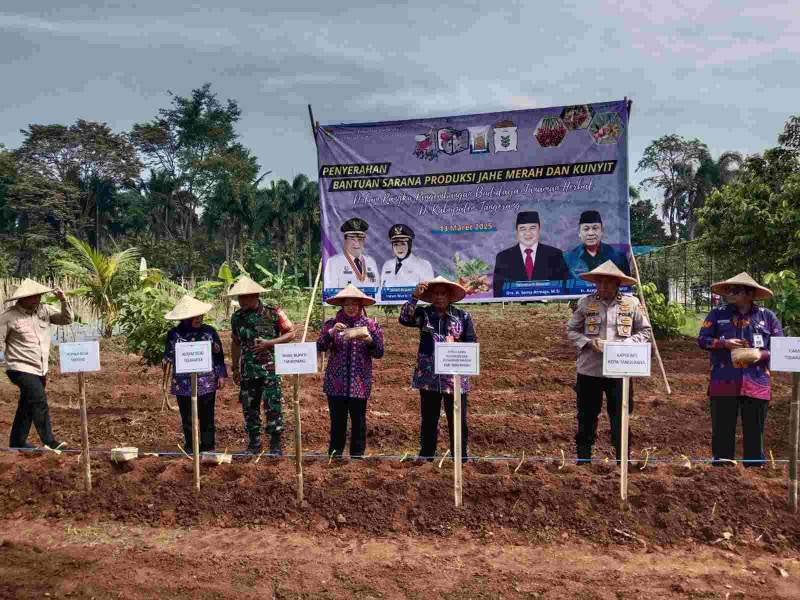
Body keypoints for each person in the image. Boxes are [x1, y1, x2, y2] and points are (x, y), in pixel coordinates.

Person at [566, 261, 652, 464]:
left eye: (608, 283)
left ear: (618, 284)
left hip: (619, 371)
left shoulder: (631, 304)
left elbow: (645, 331)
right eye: (600, 282)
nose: (603, 286)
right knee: (586, 416)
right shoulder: (585, 303)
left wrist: (626, 344)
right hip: (589, 370)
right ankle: (584, 459)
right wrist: (588, 342)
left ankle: (623, 461)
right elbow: (571, 330)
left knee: (620, 417)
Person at [698, 273, 783, 466]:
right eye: (729, 289)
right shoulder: (717, 314)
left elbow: (780, 348)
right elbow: (702, 340)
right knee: (722, 429)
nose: (730, 293)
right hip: (723, 380)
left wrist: (760, 355)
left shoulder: (767, 317)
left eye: (736, 290)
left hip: (756, 382)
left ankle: (753, 470)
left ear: (750, 294)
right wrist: (723, 343)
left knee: (754, 430)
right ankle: (722, 470)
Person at [399, 276, 476, 460]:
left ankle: (460, 457)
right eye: (436, 294)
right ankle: (427, 455)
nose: (440, 297)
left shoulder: (462, 316)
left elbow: (472, 343)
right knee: (429, 419)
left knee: (458, 419)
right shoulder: (424, 315)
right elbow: (404, 319)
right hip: (429, 378)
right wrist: (414, 297)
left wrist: (456, 348)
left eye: (443, 293)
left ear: (449, 296)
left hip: (455, 378)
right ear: (431, 296)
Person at [0, 279, 72, 450]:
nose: (36, 299)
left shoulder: (44, 310)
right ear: (22, 298)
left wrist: (63, 300)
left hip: (40, 368)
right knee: (39, 401)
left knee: (27, 405)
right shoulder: (9, 316)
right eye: (32, 297)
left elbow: (66, 319)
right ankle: (50, 441)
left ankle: (17, 443)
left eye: (38, 296)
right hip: (19, 367)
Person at [228, 276, 296, 455]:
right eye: (239, 298)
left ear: (255, 295)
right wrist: (235, 367)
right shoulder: (237, 318)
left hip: (270, 370)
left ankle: (275, 445)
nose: (241, 301)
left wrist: (270, 343)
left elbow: (291, 333)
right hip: (248, 371)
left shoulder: (273, 312)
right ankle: (254, 444)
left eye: (245, 297)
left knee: (273, 407)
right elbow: (235, 342)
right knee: (250, 408)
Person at [317, 284, 384, 458]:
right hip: (335, 382)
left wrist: (369, 339)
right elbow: (320, 346)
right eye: (347, 304)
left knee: (359, 420)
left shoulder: (370, 325)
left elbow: (379, 352)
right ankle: (335, 453)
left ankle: (357, 454)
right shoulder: (332, 324)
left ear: (361, 305)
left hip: (359, 381)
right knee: (337, 420)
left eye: (354, 304)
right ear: (342, 306)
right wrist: (331, 332)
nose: (351, 307)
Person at [163, 295, 227, 453]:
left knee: (207, 416)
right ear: (185, 318)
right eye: (195, 316)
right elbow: (168, 355)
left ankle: (208, 447)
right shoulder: (174, 334)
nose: (199, 318)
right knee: (188, 418)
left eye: (200, 315)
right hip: (183, 384)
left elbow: (218, 355)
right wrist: (165, 361)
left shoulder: (209, 332)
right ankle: (191, 447)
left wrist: (220, 375)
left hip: (206, 382)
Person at [492, 211, 570, 297]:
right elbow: (499, 292)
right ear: (517, 232)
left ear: (539, 230)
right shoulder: (503, 257)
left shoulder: (555, 255)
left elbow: (565, 288)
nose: (528, 233)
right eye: (522, 229)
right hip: (514, 308)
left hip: (548, 308)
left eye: (532, 228)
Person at [564, 210, 631, 279]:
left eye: (595, 228)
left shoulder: (618, 257)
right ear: (579, 233)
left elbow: (626, 285)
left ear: (602, 231)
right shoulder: (568, 259)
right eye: (586, 229)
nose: (591, 233)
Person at [323, 218, 379, 293]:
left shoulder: (371, 262)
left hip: (369, 305)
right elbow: (330, 293)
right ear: (345, 240)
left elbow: (377, 291)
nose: (356, 243)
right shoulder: (333, 263)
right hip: (344, 304)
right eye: (352, 238)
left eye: (360, 239)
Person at [379, 224, 435, 294]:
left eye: (402, 244)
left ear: (409, 245)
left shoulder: (424, 265)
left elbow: (429, 294)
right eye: (395, 244)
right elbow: (382, 292)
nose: (399, 248)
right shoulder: (387, 265)